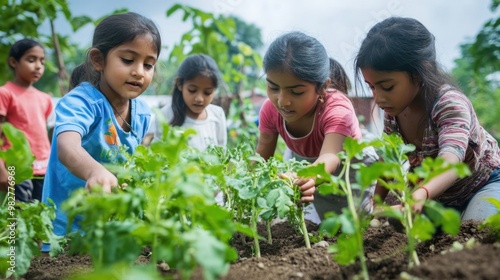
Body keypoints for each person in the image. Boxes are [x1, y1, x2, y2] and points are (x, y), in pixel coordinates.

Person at [355, 17, 500, 221]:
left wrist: (419, 196)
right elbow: (388, 161)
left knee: (476, 230)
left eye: (387, 87)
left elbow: (451, 160)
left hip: (481, 186)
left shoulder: (448, 103)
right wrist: (373, 207)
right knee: (398, 224)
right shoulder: (393, 112)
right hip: (437, 199)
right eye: (372, 87)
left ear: (419, 72)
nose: (378, 98)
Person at [41, 12, 162, 250]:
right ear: (98, 60)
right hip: (64, 229)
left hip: (109, 229)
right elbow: (67, 147)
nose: (139, 71)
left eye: (148, 65)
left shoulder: (143, 113)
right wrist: (95, 171)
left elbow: (128, 163)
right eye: (128, 60)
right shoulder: (81, 102)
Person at [256, 31, 377, 221]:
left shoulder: (337, 109)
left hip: (350, 165)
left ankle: (382, 211)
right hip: (314, 166)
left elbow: (330, 155)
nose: (282, 101)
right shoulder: (270, 110)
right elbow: (262, 153)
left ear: (322, 87)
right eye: (273, 88)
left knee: (359, 221)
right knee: (330, 222)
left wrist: (310, 176)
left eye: (296, 92)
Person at [0, 39, 53, 201]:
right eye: (31, 60)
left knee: (39, 215)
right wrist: (1, 169)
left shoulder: (45, 98)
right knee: (15, 217)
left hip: (43, 168)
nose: (38, 66)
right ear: (13, 62)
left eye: (42, 61)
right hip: (17, 168)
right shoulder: (5, 93)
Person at [149, 54, 227, 151]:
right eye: (192, 90)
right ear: (180, 84)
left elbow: (222, 152)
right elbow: (158, 153)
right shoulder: (165, 115)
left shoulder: (217, 115)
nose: (199, 99)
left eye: (207, 92)